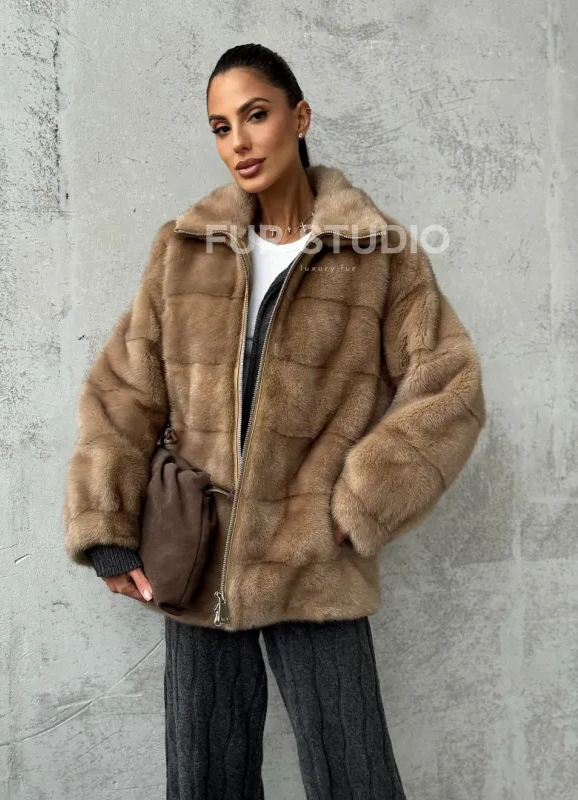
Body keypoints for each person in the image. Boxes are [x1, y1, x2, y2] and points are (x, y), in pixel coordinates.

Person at [62, 43, 486, 800]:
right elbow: (125, 389)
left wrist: (357, 505)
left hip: (313, 558)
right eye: (221, 127)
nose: (240, 142)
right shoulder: (184, 249)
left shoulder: (377, 251)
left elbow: (450, 385)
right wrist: (107, 527)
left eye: (255, 115)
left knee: (355, 778)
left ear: (300, 116)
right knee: (205, 780)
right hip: (197, 558)